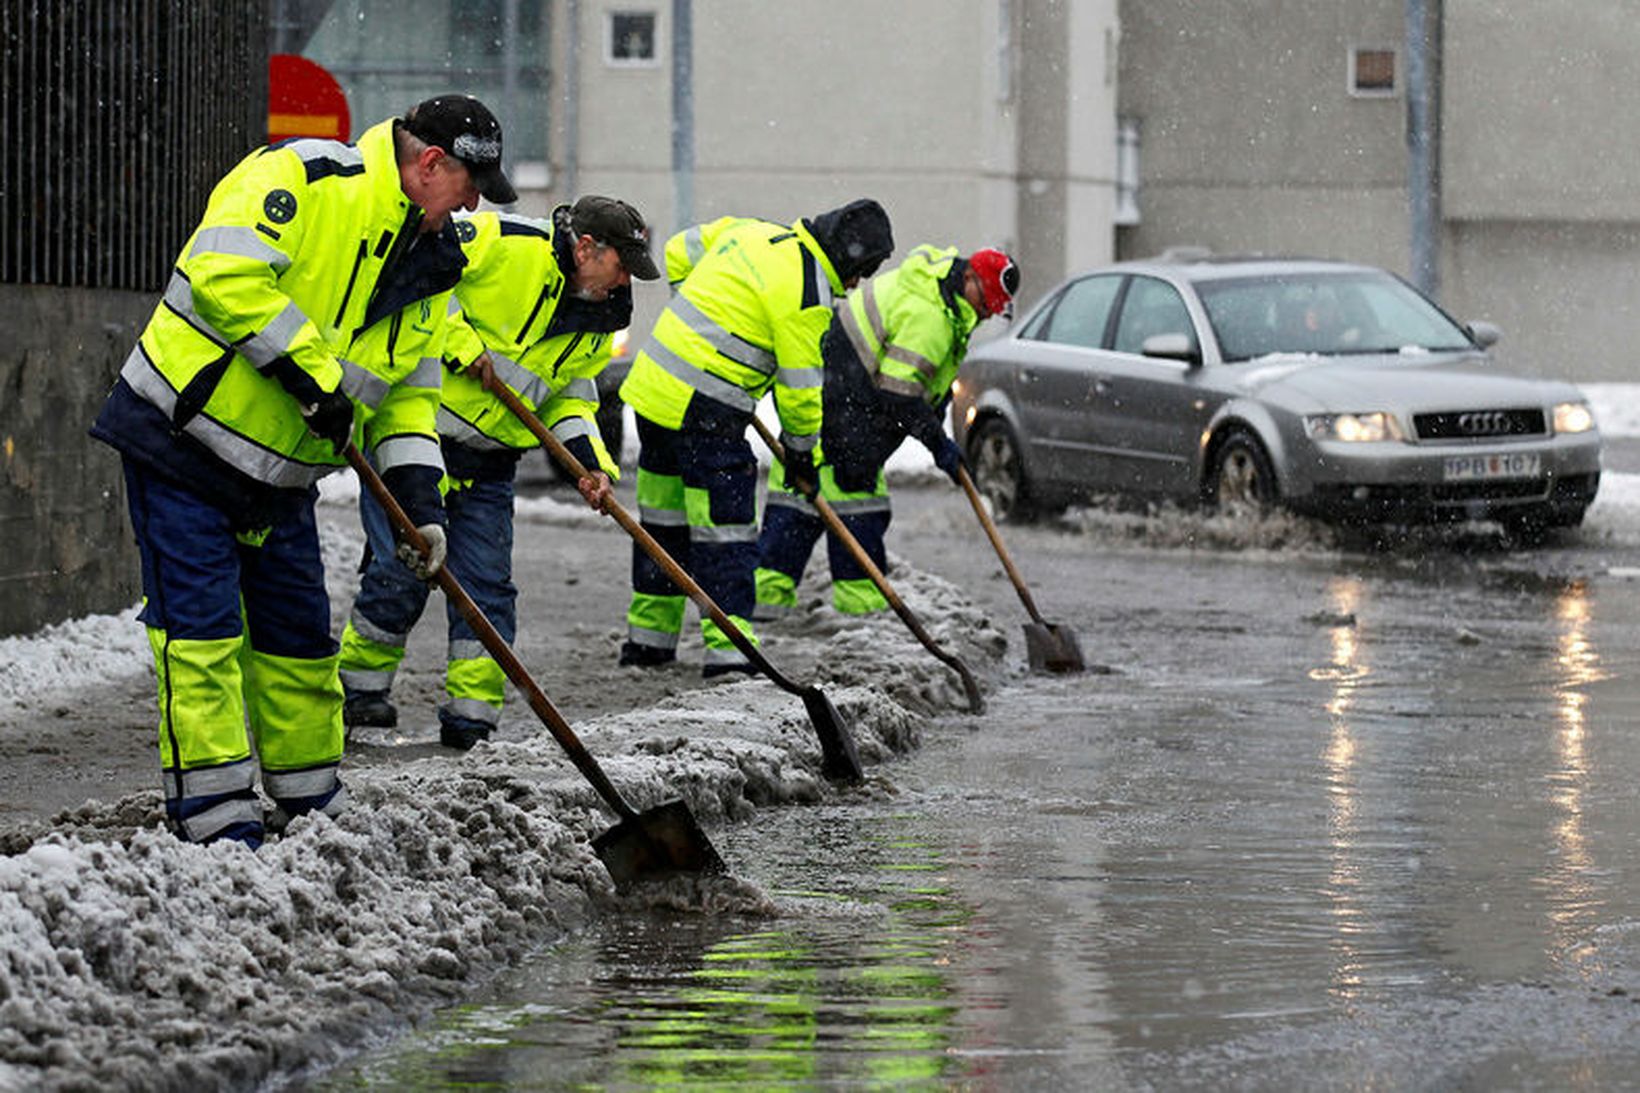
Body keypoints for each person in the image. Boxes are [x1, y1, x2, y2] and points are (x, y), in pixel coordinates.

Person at [88, 94, 517, 847]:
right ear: (429, 165)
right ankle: (213, 811)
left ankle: (308, 795)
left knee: (297, 639)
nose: (473, 206)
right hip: (183, 443)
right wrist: (312, 375)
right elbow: (225, 274)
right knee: (202, 634)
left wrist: (422, 504)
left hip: (282, 476)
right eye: (470, 187)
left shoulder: (432, 268)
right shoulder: (306, 177)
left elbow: (409, 398)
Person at [337, 196, 661, 749]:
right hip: (419, 442)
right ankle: (359, 693)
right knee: (403, 571)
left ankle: (473, 718)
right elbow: (423, 273)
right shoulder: (503, 241)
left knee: (487, 587)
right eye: (622, 265)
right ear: (586, 248)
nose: (626, 281)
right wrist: (463, 345)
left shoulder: (598, 321)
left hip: (490, 465)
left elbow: (568, 399)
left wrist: (589, 465)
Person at [617, 199, 894, 676]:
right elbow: (801, 391)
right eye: (862, 272)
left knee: (663, 523)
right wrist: (804, 457)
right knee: (725, 529)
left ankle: (649, 644)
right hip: (705, 408)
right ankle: (730, 654)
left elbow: (681, 249)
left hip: (653, 390)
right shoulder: (809, 293)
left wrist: (695, 309)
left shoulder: (757, 232)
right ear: (849, 260)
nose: (857, 285)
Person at [755, 246, 1018, 617]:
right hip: (845, 410)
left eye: (994, 306)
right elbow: (899, 394)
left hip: (831, 401)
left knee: (798, 501)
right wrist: (939, 444)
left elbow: (924, 383)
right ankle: (860, 621)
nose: (987, 311)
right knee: (856, 509)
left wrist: (936, 420)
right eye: (986, 301)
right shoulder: (932, 315)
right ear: (970, 279)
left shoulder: (945, 302)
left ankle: (766, 612)